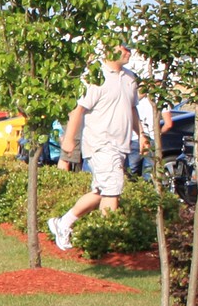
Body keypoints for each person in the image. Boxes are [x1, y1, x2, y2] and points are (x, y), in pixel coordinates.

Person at [47, 44, 143, 252]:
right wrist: (69, 141)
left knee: (100, 191)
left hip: (122, 145)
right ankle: (105, 243)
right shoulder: (95, 76)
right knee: (112, 192)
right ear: (110, 50)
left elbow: (132, 110)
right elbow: (78, 110)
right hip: (101, 144)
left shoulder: (130, 78)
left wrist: (142, 135)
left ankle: (62, 223)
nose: (129, 52)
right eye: (124, 48)